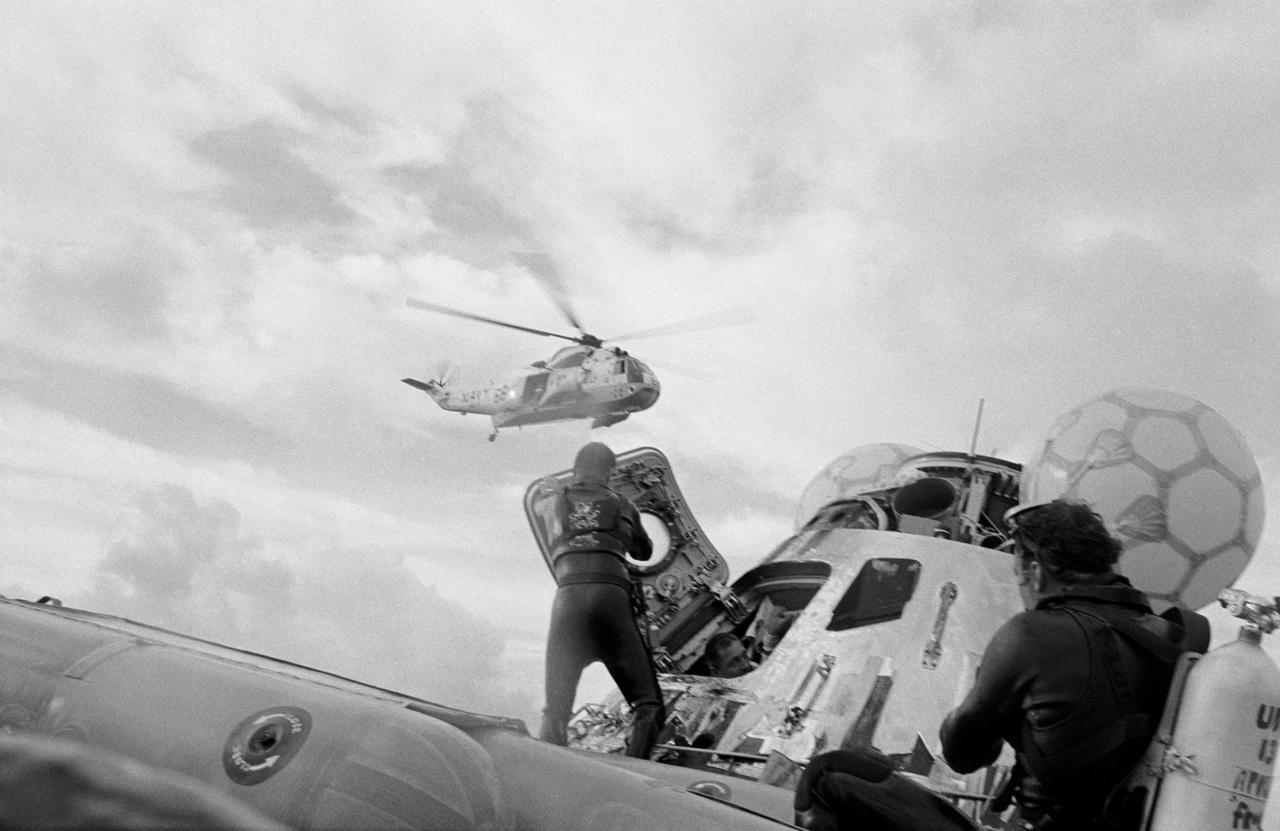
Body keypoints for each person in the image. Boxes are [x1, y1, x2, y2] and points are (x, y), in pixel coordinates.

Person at [938, 498, 1205, 830]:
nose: (1021, 591)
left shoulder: (1030, 635)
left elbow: (962, 755)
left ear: (1035, 573)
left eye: (1017, 577)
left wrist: (988, 699)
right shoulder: (1179, 636)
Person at [539, 442, 665, 758]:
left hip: (567, 601)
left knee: (555, 711)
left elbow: (553, 538)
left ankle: (546, 772)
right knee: (647, 703)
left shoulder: (551, 503)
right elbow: (644, 552)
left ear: (575, 469)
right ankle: (636, 772)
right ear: (609, 472)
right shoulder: (623, 505)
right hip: (611, 598)